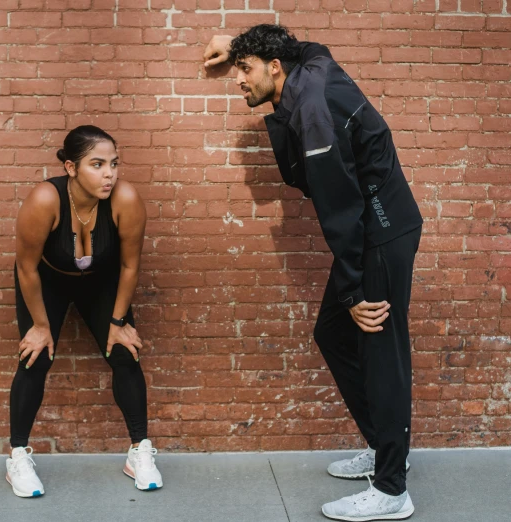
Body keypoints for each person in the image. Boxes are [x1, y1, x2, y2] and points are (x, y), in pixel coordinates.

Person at [203, 25, 423, 521]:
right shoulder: (312, 65)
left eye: (245, 68)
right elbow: (304, 44)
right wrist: (234, 42)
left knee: (380, 348)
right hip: (378, 225)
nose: (237, 78)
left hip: (380, 230)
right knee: (332, 333)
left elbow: (340, 211)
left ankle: (392, 489)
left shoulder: (314, 111)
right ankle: (387, 446)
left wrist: (351, 292)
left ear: (274, 68)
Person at [6, 125, 163, 497]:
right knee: (36, 357)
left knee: (125, 352)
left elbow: (129, 266)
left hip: (102, 281)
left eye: (114, 163)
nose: (109, 173)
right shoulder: (46, 199)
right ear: (71, 167)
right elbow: (26, 267)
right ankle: (17, 456)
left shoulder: (125, 198)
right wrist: (41, 326)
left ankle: (139, 451)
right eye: (97, 164)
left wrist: (118, 321)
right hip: (47, 279)